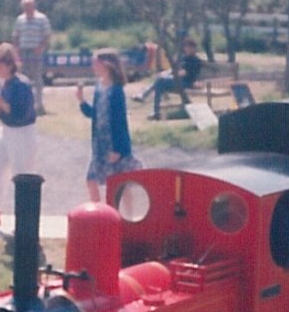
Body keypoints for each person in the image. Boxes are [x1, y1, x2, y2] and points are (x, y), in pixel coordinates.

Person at [0, 43, 37, 227]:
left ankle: (26, 220)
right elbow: (5, 113)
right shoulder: (1, 83)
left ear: (10, 65)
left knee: (22, 176)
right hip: (6, 131)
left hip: (22, 133)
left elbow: (20, 114)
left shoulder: (22, 84)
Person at [76, 48, 139, 203]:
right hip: (100, 146)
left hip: (115, 146)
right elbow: (94, 114)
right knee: (91, 181)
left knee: (119, 187)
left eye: (96, 63)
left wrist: (118, 149)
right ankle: (99, 217)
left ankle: (127, 220)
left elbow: (119, 122)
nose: (93, 67)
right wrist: (82, 101)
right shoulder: (99, 88)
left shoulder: (116, 91)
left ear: (107, 65)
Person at [137, 37, 204, 119]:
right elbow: (174, 69)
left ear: (194, 48)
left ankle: (146, 98)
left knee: (160, 81)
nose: (188, 49)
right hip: (177, 81)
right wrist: (165, 73)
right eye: (186, 47)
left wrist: (172, 75)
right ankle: (156, 111)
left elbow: (186, 73)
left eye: (190, 47)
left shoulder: (196, 60)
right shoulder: (183, 58)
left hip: (187, 83)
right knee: (159, 84)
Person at [12, 0, 52, 115]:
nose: (27, 8)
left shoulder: (41, 18)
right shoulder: (20, 19)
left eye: (29, 6)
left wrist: (41, 47)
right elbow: (15, 35)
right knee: (23, 78)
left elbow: (47, 34)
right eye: (25, 6)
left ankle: (39, 105)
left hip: (36, 51)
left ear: (33, 6)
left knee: (37, 78)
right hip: (23, 51)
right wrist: (16, 49)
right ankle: (25, 104)